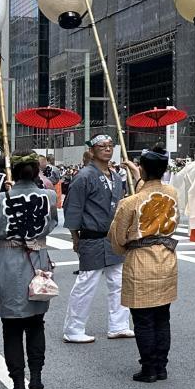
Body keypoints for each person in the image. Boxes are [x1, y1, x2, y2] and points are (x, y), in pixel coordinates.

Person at [109, 147, 179, 382]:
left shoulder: (130, 202)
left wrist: (123, 249)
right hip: (166, 256)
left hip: (140, 258)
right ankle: (161, 366)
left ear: (143, 169)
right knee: (162, 316)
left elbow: (117, 237)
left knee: (143, 319)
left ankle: (148, 367)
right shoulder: (172, 193)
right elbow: (151, 192)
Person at [62, 135, 134, 343]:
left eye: (110, 146)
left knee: (119, 281)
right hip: (92, 237)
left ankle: (119, 325)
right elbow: (73, 208)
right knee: (86, 283)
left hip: (112, 237)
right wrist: (75, 237)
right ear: (92, 151)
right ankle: (73, 329)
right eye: (101, 146)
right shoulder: (84, 176)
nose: (107, 149)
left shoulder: (116, 175)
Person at [0, 152, 58, 389]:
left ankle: (18, 384)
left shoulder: (2, 198)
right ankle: (36, 378)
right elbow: (52, 224)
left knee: (11, 326)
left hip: (9, 263)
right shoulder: (49, 196)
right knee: (36, 323)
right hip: (38, 261)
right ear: (36, 172)